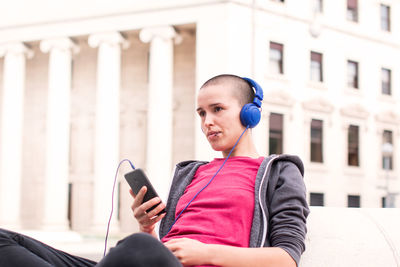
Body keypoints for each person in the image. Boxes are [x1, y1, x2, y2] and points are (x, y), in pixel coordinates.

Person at [0, 74, 309, 267]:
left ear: (249, 113)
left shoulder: (278, 171)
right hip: (153, 260)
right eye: (201, 113)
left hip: (189, 262)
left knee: (136, 246)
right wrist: (148, 227)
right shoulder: (192, 174)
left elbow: (286, 258)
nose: (207, 122)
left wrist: (205, 253)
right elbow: (162, 248)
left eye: (217, 109)